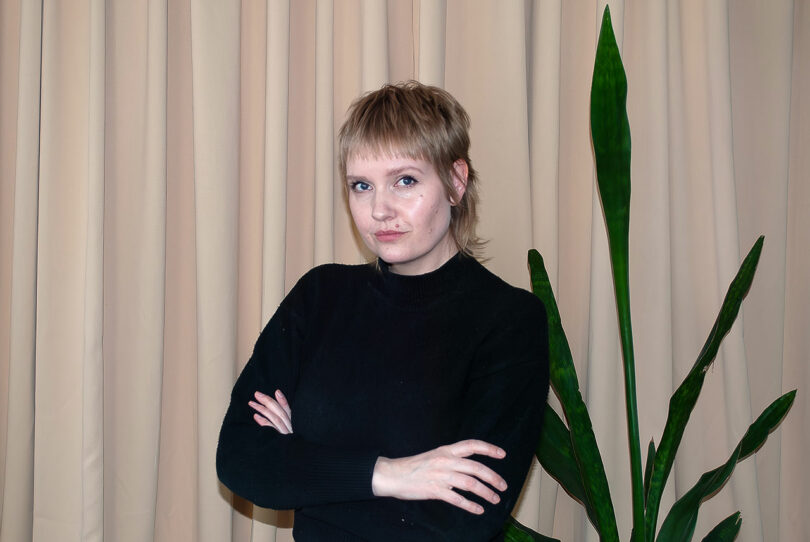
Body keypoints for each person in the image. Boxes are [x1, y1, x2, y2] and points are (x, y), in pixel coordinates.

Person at [216, 81, 550, 541]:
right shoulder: (319, 297)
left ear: (456, 181)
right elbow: (241, 459)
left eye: (405, 180)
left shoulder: (509, 320)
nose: (379, 210)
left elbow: (465, 519)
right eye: (361, 186)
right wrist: (391, 475)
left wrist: (305, 461)